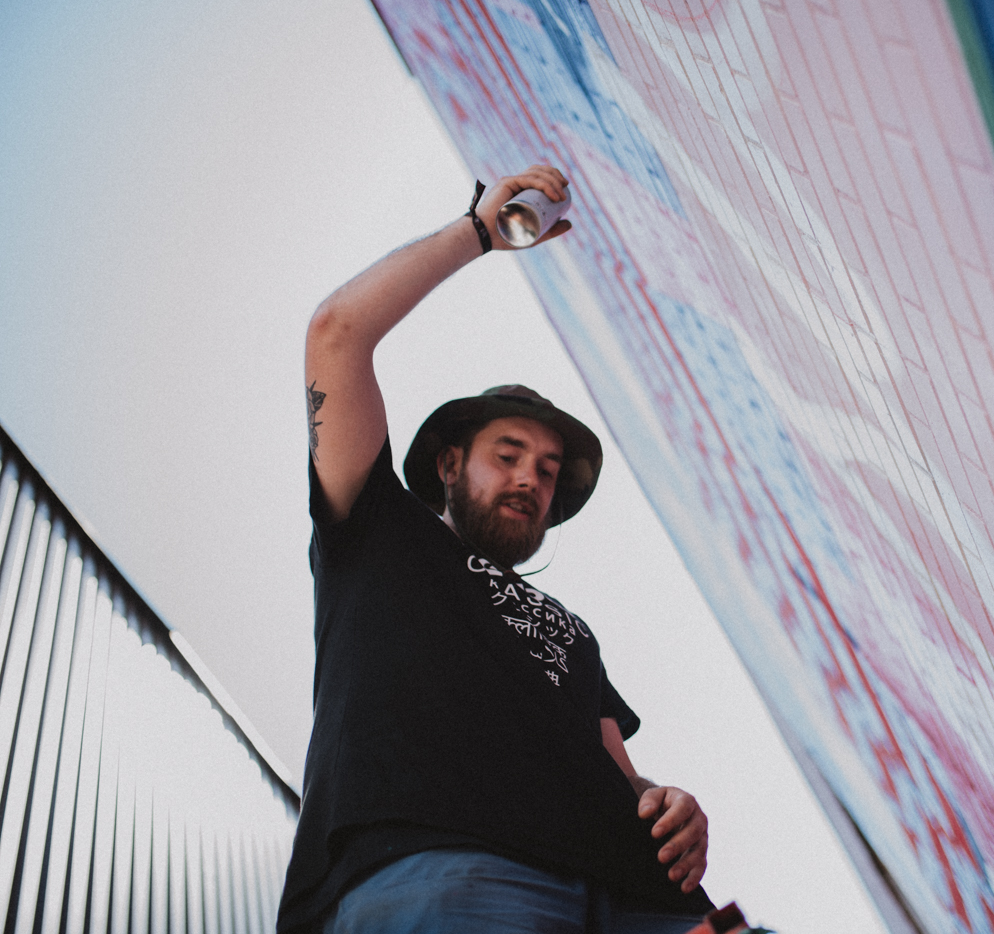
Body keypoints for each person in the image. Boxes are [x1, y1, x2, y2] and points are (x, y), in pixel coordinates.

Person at [277, 165, 715, 933]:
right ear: (449, 464)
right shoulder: (377, 533)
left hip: (640, 898)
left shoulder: (571, 630)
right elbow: (336, 334)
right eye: (508, 454)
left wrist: (667, 801)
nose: (530, 480)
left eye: (547, 471)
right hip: (444, 872)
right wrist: (480, 232)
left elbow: (616, 771)